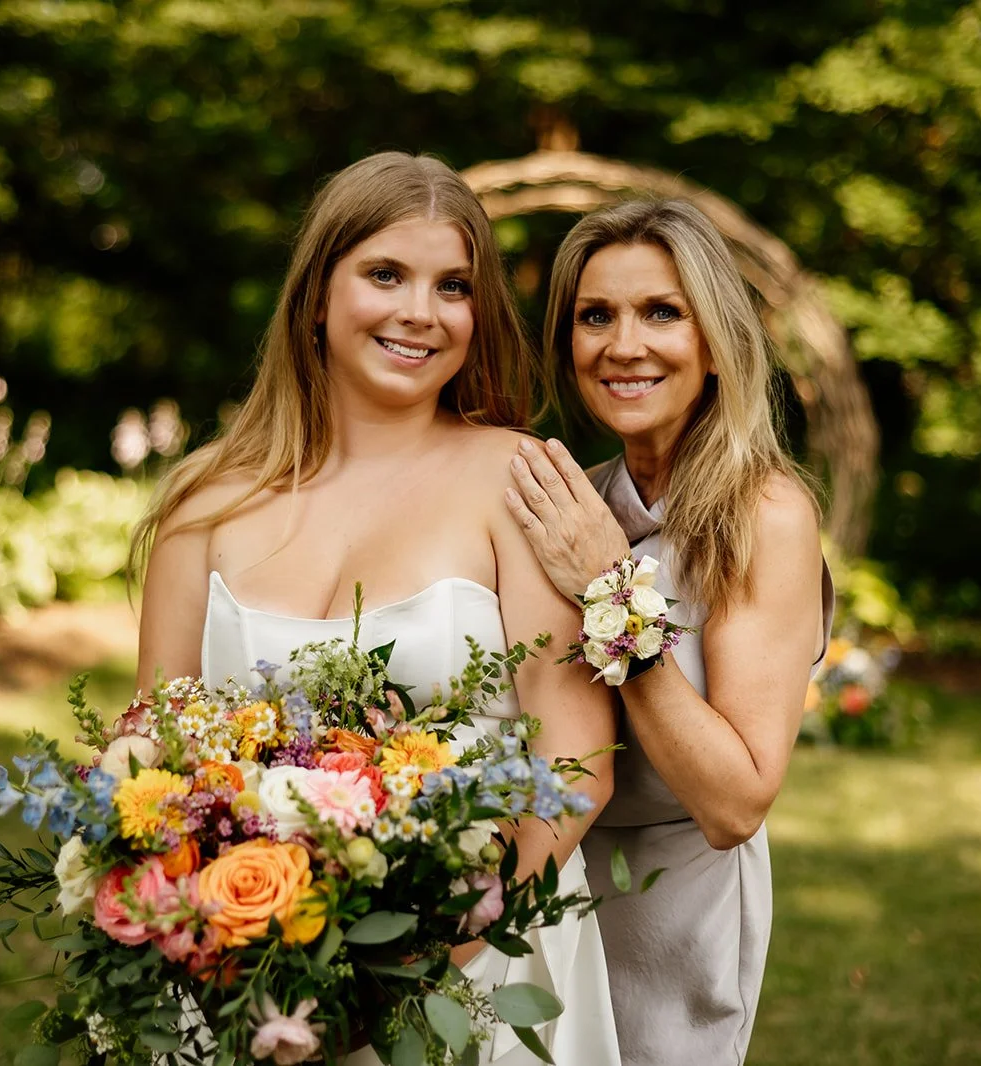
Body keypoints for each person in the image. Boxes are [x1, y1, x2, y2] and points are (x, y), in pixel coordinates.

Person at [132, 152, 621, 1064]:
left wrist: (431, 961)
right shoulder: (205, 500)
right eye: (385, 274)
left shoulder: (522, 481)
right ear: (317, 293)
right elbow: (153, 746)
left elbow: (580, 767)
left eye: (453, 287)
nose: (419, 313)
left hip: (474, 973)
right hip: (244, 972)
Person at [502, 198, 834, 1065]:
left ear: (718, 342)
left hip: (672, 920)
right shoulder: (573, 499)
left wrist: (610, 591)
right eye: (594, 316)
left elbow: (734, 802)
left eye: (661, 312)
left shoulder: (765, 515)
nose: (624, 344)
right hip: (544, 884)